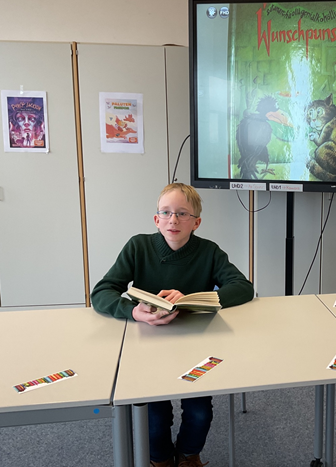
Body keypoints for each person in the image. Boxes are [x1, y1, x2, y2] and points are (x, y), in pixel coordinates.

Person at [92, 183, 254, 467]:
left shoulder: (209, 251)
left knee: (200, 413)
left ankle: (189, 455)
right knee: (154, 417)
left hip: (195, 345)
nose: (173, 220)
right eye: (166, 213)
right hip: (147, 344)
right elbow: (102, 292)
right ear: (156, 219)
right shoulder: (138, 246)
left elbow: (243, 287)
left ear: (196, 222)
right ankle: (160, 460)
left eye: (182, 213)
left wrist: (197, 299)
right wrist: (133, 312)